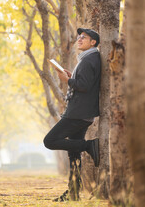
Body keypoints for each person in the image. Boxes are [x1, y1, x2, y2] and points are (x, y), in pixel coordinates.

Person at [43, 28, 101, 201]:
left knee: (50, 141)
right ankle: (74, 192)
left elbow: (84, 86)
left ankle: (89, 146)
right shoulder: (87, 58)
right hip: (80, 112)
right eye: (79, 37)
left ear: (93, 43)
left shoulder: (90, 59)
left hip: (78, 113)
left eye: (84, 37)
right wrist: (71, 76)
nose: (79, 39)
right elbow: (83, 82)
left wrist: (67, 81)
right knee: (73, 153)